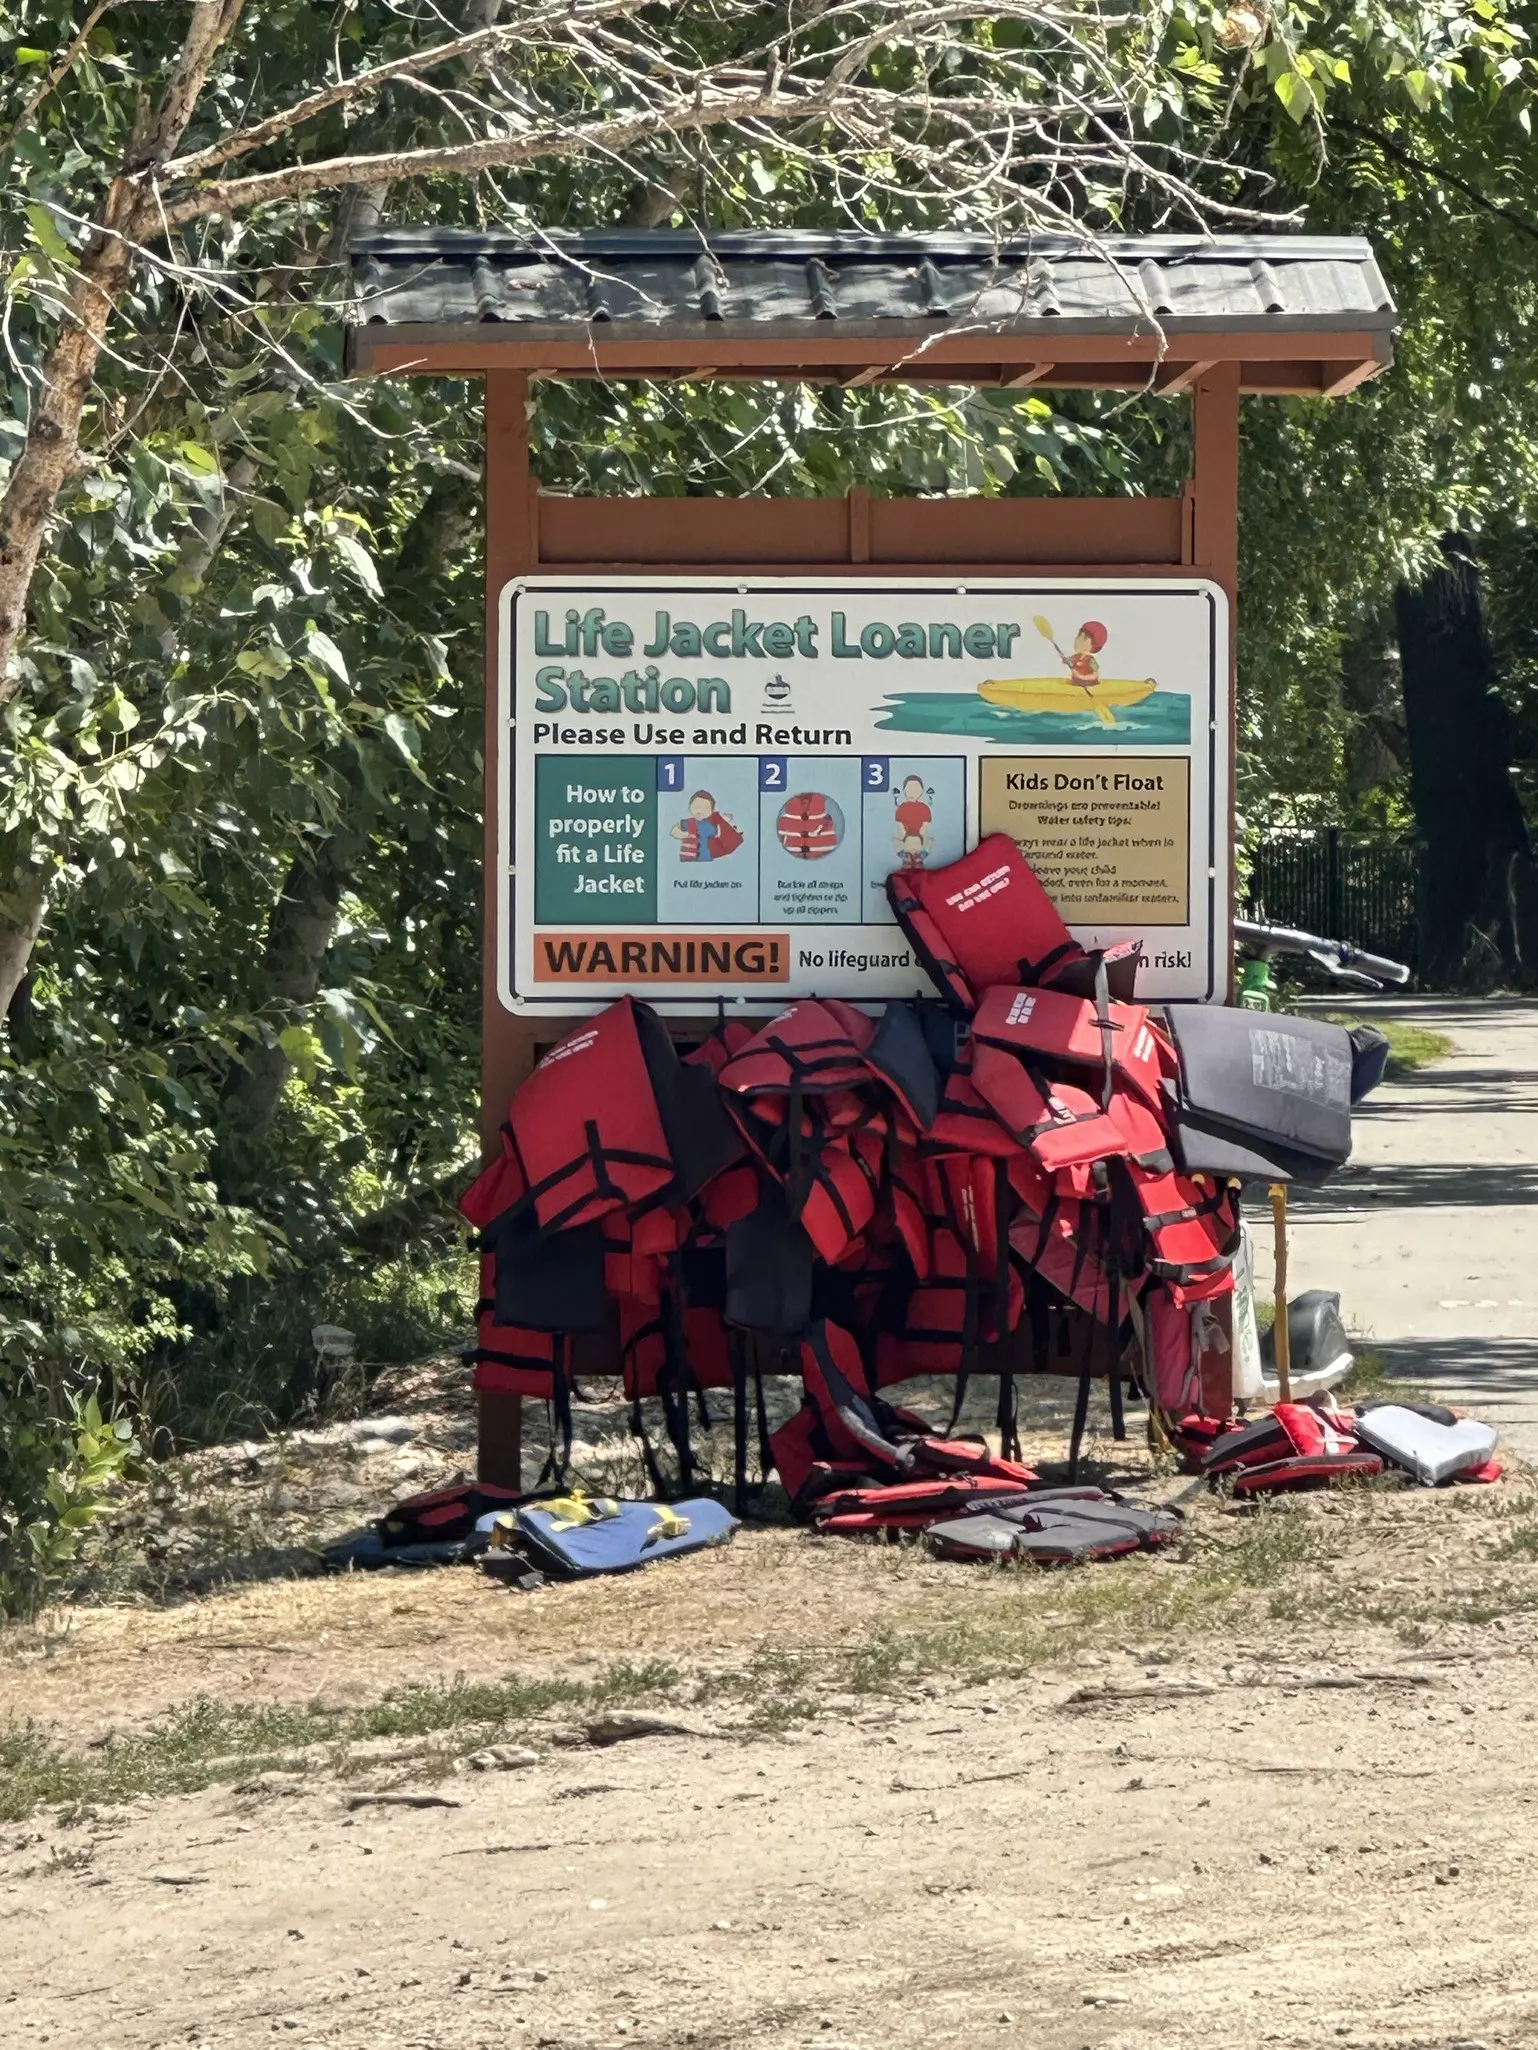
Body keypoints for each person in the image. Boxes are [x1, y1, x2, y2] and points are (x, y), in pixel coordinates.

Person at [671, 790, 741, 862]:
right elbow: (675, 829)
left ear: (712, 810)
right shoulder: (688, 822)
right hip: (687, 857)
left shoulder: (709, 825)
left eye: (705, 808)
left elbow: (720, 833)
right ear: (690, 806)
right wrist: (679, 833)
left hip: (704, 857)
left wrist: (725, 822)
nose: (700, 810)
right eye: (696, 806)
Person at [892, 774, 934, 869]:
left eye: (916, 788)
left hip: (920, 839)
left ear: (922, 790)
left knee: (929, 841)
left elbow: (925, 828)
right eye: (910, 788)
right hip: (906, 839)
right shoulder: (901, 808)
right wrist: (906, 842)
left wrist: (919, 842)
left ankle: (919, 859)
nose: (913, 791)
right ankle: (905, 859)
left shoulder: (925, 808)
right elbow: (900, 829)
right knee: (896, 841)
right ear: (904, 790)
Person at [1066, 620, 1108, 688]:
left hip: (1089, 686)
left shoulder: (1091, 660)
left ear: (1093, 645)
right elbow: (1068, 661)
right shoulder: (1076, 657)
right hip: (1076, 686)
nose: (1079, 639)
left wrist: (1081, 677)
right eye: (1079, 635)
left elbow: (1095, 675)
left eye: (1085, 638)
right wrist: (1065, 660)